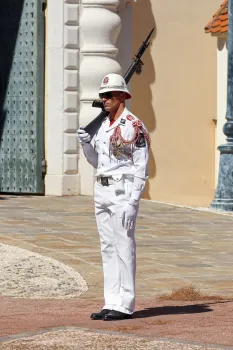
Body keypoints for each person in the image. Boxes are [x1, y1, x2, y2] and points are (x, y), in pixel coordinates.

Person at [77, 73, 150, 321]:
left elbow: (141, 168)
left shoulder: (134, 125)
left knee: (124, 246)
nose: (104, 99)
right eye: (102, 95)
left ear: (122, 96)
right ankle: (111, 301)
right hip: (102, 190)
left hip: (122, 192)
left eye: (109, 95)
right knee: (107, 247)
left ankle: (125, 303)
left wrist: (133, 202)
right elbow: (97, 161)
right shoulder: (101, 125)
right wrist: (86, 144)